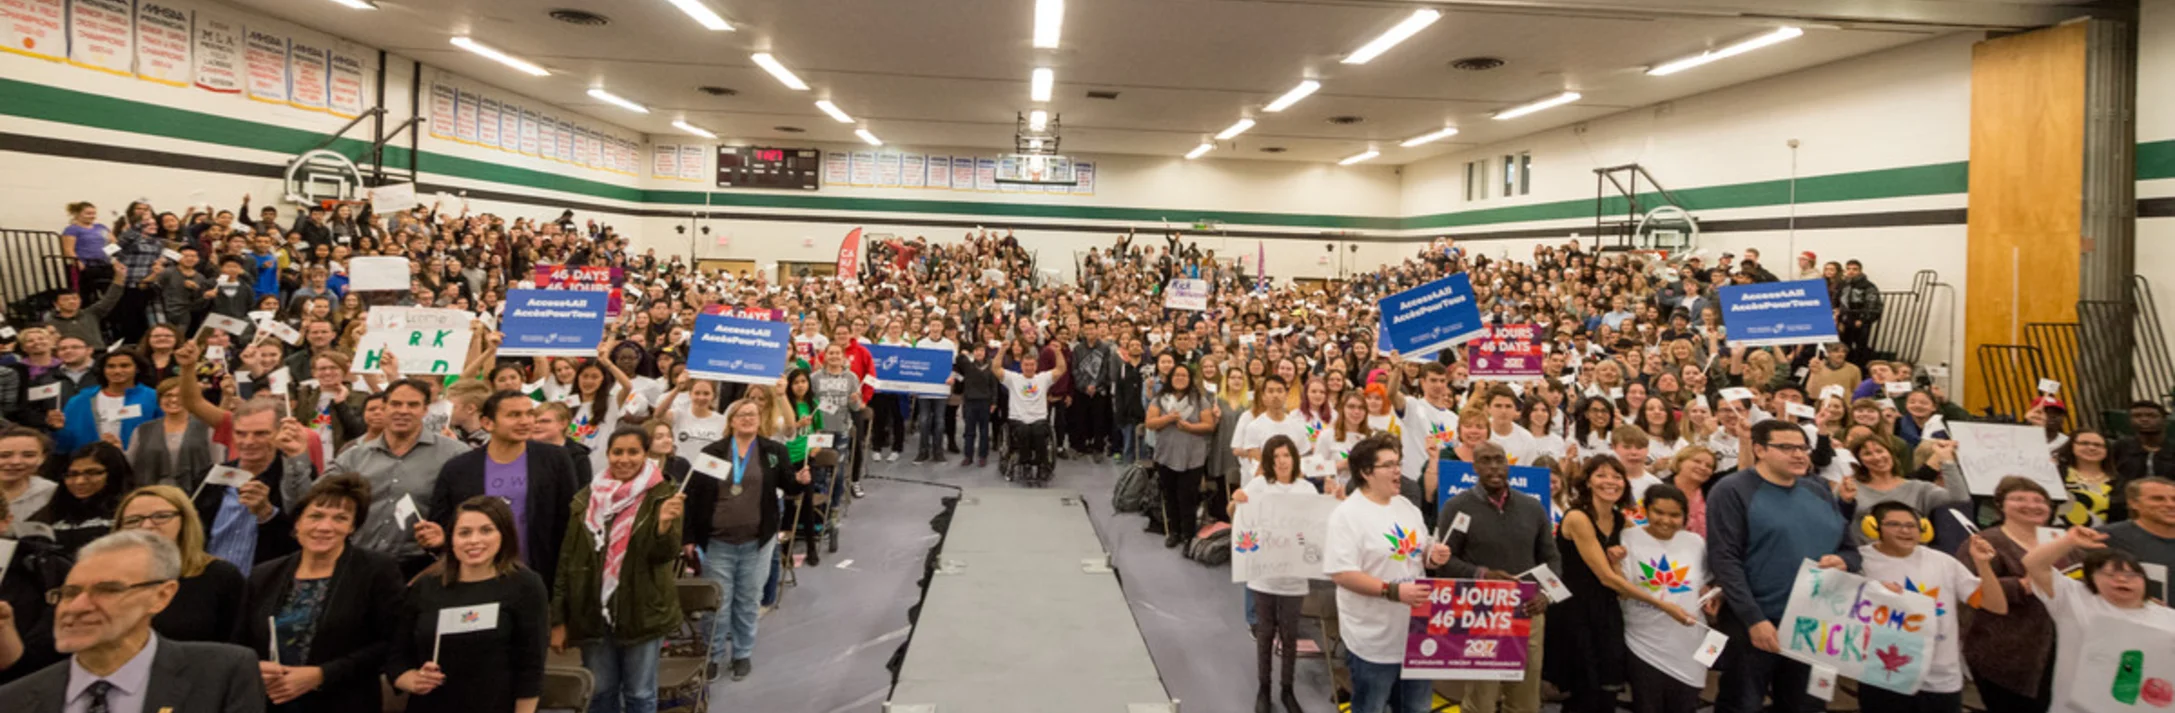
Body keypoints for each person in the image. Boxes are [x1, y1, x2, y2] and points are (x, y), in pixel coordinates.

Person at [0, 531, 266, 712]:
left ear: (161, 596)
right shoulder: (15, 699)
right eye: (69, 593)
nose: (78, 607)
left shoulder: (222, 674)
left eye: (107, 590)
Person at [1706, 419, 1855, 713]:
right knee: (1742, 703)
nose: (1799, 454)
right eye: (1786, 447)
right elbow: (1725, 560)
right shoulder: (1732, 490)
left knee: (1807, 705)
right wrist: (1753, 619)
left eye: (1802, 447)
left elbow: (1849, 549)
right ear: (1759, 449)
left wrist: (1845, 561)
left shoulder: (1820, 490)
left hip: (1813, 624)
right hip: (1756, 621)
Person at [237, 474, 404, 713]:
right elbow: (240, 643)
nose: (325, 527)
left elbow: (391, 642)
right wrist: (256, 667)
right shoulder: (263, 575)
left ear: (352, 527)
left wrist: (321, 675)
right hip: (271, 702)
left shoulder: (377, 571)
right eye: (315, 516)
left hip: (343, 702)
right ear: (297, 523)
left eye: (340, 518)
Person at [551, 427, 687, 713]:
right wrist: (558, 619)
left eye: (633, 452)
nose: (624, 459)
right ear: (608, 454)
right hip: (592, 611)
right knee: (599, 693)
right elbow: (567, 560)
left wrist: (661, 527)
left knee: (639, 694)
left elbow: (664, 556)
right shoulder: (586, 498)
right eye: (617, 452)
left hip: (643, 611)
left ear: (646, 454)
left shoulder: (663, 495)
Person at [1324, 434, 1451, 713]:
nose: (1398, 471)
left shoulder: (1406, 507)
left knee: (1416, 707)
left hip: (1415, 633)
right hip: (1373, 639)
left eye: (1399, 463)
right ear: (1366, 472)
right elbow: (1342, 573)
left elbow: (1419, 551)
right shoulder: (1347, 515)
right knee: (1371, 706)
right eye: (1389, 464)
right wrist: (1393, 591)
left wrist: (1432, 555)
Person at [386, 496, 548, 713]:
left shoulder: (525, 585)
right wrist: (410, 679)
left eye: (486, 530)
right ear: (451, 539)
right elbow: (396, 656)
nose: (474, 540)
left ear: (504, 535)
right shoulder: (425, 586)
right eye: (464, 533)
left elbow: (531, 668)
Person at [683, 399, 807, 681]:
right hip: (717, 542)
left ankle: (742, 653)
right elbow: (693, 497)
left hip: (756, 542)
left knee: (748, 600)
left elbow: (788, 484)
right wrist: (688, 537)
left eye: (753, 414)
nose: (748, 418)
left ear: (759, 419)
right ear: (732, 420)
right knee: (717, 602)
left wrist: (800, 479)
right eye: (742, 414)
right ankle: (713, 655)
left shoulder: (773, 451)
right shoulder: (712, 452)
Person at [1438, 442, 1557, 713]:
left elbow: (1552, 559)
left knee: (1526, 701)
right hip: (1481, 612)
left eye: (1499, 460)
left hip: (1528, 610)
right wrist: (1482, 574)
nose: (1494, 467)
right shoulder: (1457, 506)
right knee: (1481, 701)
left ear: (1508, 464)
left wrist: (1547, 596)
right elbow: (1445, 564)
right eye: (1486, 461)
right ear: (1474, 467)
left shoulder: (1532, 507)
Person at [1855, 501, 2008, 713]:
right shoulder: (1860, 560)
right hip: (1882, 676)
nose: (1905, 531)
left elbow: (1996, 605)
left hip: (1941, 679)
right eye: (1894, 524)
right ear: (1873, 527)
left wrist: (1983, 565)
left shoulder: (1943, 562)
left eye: (1912, 525)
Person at [423, 392, 580, 588]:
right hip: (475, 579)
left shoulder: (555, 460)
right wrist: (437, 540)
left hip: (538, 578)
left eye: (529, 413)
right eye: (514, 415)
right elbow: (444, 524)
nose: (525, 421)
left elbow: (568, 522)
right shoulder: (459, 468)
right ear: (488, 423)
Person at [2022, 525, 2175, 713]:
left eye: (2132, 575)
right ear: (2092, 579)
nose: (2122, 580)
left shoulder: (2168, 617)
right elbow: (2034, 564)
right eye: (2110, 575)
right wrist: (2069, 541)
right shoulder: (2074, 599)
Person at [325, 379, 466, 578]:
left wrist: (445, 540)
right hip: (359, 566)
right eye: (396, 404)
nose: (403, 411)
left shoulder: (454, 454)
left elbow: (470, 511)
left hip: (423, 569)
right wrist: (297, 458)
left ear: (425, 410)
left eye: (413, 405)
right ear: (384, 408)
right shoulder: (353, 456)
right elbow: (314, 501)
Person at [1227, 435, 1323, 713]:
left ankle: (1287, 689)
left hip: (1295, 575)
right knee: (1265, 632)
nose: (1282, 461)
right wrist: (1236, 501)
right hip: (1263, 573)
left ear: (1295, 458)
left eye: (1286, 455)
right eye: (1276, 456)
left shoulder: (1306, 489)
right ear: (1269, 461)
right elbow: (1235, 515)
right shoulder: (1258, 486)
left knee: (1290, 634)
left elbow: (1318, 526)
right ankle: (1264, 687)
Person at [1963, 477, 2066, 713]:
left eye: (2039, 500)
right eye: (2019, 498)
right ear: (2000, 505)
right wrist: (2020, 586)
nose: (2031, 504)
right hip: (2004, 653)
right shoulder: (1985, 541)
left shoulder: (2062, 540)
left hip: (2058, 650)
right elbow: (1967, 587)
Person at [1616, 484, 1716, 713]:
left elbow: (1701, 583)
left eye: (1675, 515)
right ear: (1646, 510)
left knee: (1684, 705)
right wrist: (1614, 561)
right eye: (1658, 512)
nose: (1666, 520)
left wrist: (1709, 596)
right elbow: (1621, 588)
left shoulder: (1695, 542)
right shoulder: (1627, 538)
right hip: (1643, 641)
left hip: (1688, 642)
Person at [111, 485, 245, 644]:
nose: (146, 526)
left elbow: (238, 646)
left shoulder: (221, 575)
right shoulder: (106, 578)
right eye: (133, 520)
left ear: (185, 520)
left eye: (161, 516)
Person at [1834, 436, 1969, 546]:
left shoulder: (1918, 488)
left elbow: (1959, 497)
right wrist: (1845, 501)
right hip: (1866, 561)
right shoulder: (1850, 487)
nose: (1876, 457)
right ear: (1859, 461)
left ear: (1891, 453)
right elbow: (1836, 523)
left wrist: (1946, 459)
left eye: (1880, 451)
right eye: (1867, 454)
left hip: (1912, 559)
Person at [1146, 363, 1217, 546]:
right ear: (1170, 378)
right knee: (1170, 496)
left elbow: (1209, 425)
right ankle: (1174, 531)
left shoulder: (1200, 400)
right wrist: (1168, 418)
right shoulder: (1159, 399)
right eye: (1176, 375)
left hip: (1192, 458)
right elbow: (1150, 423)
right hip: (1166, 456)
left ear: (1190, 379)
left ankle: (1188, 535)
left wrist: (1190, 427)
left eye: (1184, 375)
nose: (1180, 378)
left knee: (1188, 497)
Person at [30, 443, 134, 554]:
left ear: (114, 473)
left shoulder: (132, 511)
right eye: (72, 474)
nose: (80, 481)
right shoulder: (49, 514)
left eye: (92, 473)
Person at [54, 350, 159, 455]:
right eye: (111, 366)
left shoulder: (153, 397)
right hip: (90, 462)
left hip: (140, 462)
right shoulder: (79, 401)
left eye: (124, 366)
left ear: (137, 369)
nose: (117, 371)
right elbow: (66, 443)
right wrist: (58, 429)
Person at [125, 379, 217, 492]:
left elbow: (218, 464)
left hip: (199, 497)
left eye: (180, 395)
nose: (173, 399)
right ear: (159, 400)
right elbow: (129, 465)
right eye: (168, 395)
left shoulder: (207, 428)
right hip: (152, 496)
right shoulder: (142, 430)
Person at [996, 344, 1067, 482]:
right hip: (1018, 419)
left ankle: (1042, 465)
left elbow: (1061, 369)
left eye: (1032, 365)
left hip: (1038, 419)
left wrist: (1058, 352)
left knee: (1039, 432)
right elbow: (996, 369)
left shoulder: (1043, 378)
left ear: (1036, 366)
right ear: (1021, 366)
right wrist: (1002, 351)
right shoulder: (1013, 378)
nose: (1029, 367)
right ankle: (1026, 463)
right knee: (1023, 431)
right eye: (1026, 365)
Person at [2098, 476, 2175, 597]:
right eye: (2158, 499)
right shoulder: (2104, 538)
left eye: (2174, 499)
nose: (2170, 504)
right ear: (2133, 503)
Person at [2109, 401, 2175, 520]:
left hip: (2168, 509)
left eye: (2151, 416)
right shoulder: (2120, 447)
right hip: (2124, 510)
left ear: (2165, 419)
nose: (2144, 419)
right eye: (2137, 416)